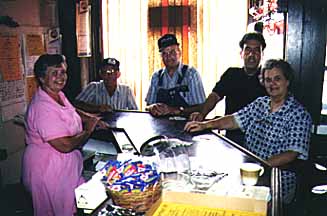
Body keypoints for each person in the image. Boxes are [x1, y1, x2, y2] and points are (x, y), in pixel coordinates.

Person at [184, 59, 312, 205]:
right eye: (268, 80)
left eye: (277, 79)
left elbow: (291, 153)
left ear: (287, 81)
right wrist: (205, 125)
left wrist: (259, 167)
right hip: (248, 174)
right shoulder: (260, 103)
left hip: (277, 181)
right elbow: (234, 120)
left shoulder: (299, 114)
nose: (272, 84)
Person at [22, 54, 108, 216]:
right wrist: (88, 130)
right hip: (48, 171)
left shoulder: (58, 95)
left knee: (71, 208)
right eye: (54, 73)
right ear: (41, 78)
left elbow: (71, 110)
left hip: (66, 169)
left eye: (63, 72)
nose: (61, 77)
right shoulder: (42, 107)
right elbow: (65, 145)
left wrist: (91, 119)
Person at [187, 32, 267, 146]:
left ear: (262, 54)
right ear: (241, 53)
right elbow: (215, 96)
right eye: (248, 50)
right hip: (232, 137)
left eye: (256, 50)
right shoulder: (231, 74)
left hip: (259, 140)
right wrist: (201, 115)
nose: (251, 55)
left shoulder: (267, 79)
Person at [145, 34, 206, 116]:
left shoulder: (191, 74)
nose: (169, 56)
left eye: (172, 52)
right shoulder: (156, 77)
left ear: (179, 52)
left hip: (187, 126)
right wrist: (151, 108)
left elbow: (202, 107)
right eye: (164, 53)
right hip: (160, 126)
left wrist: (176, 110)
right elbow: (148, 106)